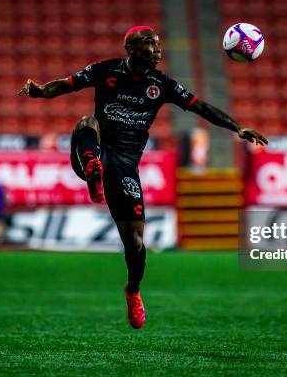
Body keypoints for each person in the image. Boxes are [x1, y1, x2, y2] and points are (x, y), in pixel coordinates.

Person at [18, 26, 268, 329]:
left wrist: (237, 128)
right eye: (151, 44)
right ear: (132, 48)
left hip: (125, 166)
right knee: (87, 122)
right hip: (93, 153)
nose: (159, 50)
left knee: (135, 241)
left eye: (159, 44)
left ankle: (133, 290)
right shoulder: (105, 70)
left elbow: (200, 107)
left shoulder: (161, 85)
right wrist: (41, 91)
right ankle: (92, 170)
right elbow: (67, 84)